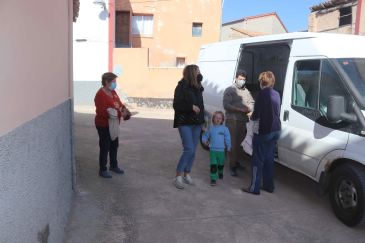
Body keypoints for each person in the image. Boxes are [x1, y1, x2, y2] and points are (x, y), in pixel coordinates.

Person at [242, 71, 281, 195]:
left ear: (261, 82)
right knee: (269, 158)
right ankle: (269, 186)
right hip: (276, 130)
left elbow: (257, 114)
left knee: (257, 160)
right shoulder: (277, 93)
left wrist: (250, 116)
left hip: (264, 131)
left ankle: (254, 188)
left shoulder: (262, 94)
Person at [173, 64, 205, 189]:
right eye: (197, 71)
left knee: (193, 150)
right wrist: (190, 107)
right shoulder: (181, 87)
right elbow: (176, 105)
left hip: (196, 123)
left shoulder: (198, 87)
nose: (199, 73)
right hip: (184, 122)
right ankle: (178, 176)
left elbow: (201, 106)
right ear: (192, 73)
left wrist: (202, 122)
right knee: (189, 149)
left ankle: (187, 174)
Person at [94, 72, 127, 178]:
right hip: (103, 125)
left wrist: (125, 110)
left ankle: (113, 165)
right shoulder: (100, 95)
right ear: (106, 82)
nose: (115, 84)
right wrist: (119, 113)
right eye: (113, 81)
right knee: (105, 146)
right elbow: (102, 112)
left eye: (115, 81)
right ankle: (102, 169)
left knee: (114, 145)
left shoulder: (113, 92)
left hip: (114, 125)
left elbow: (119, 104)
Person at [223, 70, 254, 177]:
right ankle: (232, 166)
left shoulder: (246, 91)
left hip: (243, 121)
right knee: (233, 144)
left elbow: (252, 103)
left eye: (244, 79)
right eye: (240, 79)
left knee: (240, 144)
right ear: (236, 78)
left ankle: (236, 162)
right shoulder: (230, 90)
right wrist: (240, 109)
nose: (242, 81)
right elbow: (226, 105)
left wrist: (250, 109)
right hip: (232, 121)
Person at [202, 111, 231, 186]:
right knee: (213, 165)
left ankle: (220, 171)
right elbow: (205, 136)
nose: (218, 119)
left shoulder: (225, 129)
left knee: (221, 164)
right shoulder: (210, 128)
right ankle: (213, 179)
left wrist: (229, 146)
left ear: (222, 120)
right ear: (213, 119)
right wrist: (204, 141)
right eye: (216, 118)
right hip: (212, 150)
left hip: (222, 151)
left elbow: (228, 138)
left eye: (220, 118)